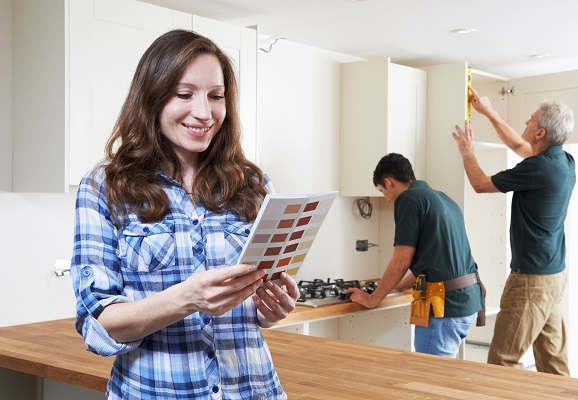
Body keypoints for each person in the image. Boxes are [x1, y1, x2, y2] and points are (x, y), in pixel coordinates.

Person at [70, 29, 299, 399]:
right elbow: (99, 325)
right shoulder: (105, 186)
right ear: (152, 98)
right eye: (184, 94)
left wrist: (271, 309)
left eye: (216, 96)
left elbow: (253, 308)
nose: (205, 113)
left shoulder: (253, 183)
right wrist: (187, 298)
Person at [452, 87, 575, 376]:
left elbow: (481, 184)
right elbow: (520, 146)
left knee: (502, 363)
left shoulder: (537, 169)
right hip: (553, 277)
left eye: (531, 121)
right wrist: (490, 113)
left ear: (541, 133)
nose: (526, 125)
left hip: (531, 281)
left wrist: (468, 153)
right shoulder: (564, 163)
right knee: (553, 363)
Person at [346, 153, 485, 358]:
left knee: (429, 382)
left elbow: (401, 260)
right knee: (441, 379)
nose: (386, 197)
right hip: (468, 300)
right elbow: (435, 259)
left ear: (388, 182)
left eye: (382, 190)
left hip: (444, 308)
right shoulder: (443, 199)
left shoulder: (408, 199)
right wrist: (400, 286)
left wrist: (372, 298)